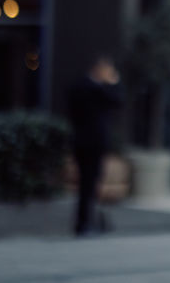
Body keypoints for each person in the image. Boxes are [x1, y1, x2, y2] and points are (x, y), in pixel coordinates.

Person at [67, 54, 123, 236]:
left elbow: (118, 102)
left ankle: (87, 221)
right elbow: (114, 99)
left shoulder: (94, 88)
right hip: (86, 142)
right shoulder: (87, 87)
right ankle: (83, 224)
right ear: (98, 68)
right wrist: (111, 83)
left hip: (95, 143)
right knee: (87, 183)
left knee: (92, 183)